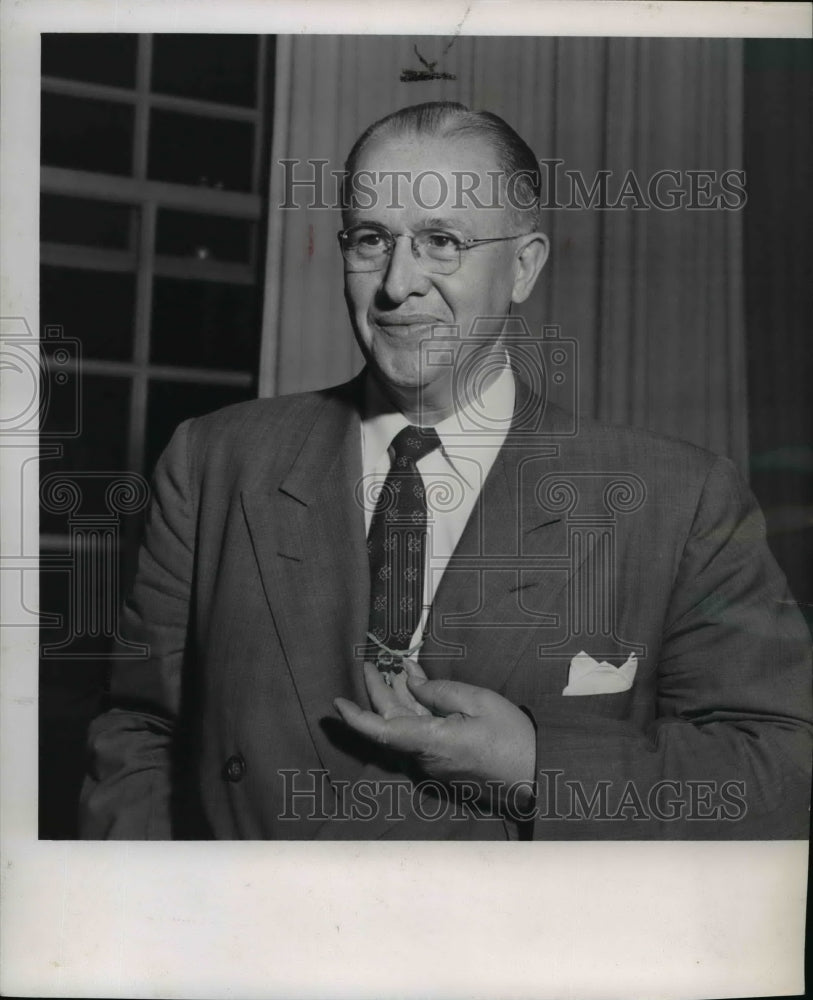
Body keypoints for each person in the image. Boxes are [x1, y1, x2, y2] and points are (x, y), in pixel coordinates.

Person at [80, 102, 812, 840]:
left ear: (522, 267)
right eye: (372, 239)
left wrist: (537, 767)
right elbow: (142, 733)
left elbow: (779, 766)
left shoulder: (677, 498)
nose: (398, 285)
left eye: (440, 241)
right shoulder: (214, 461)